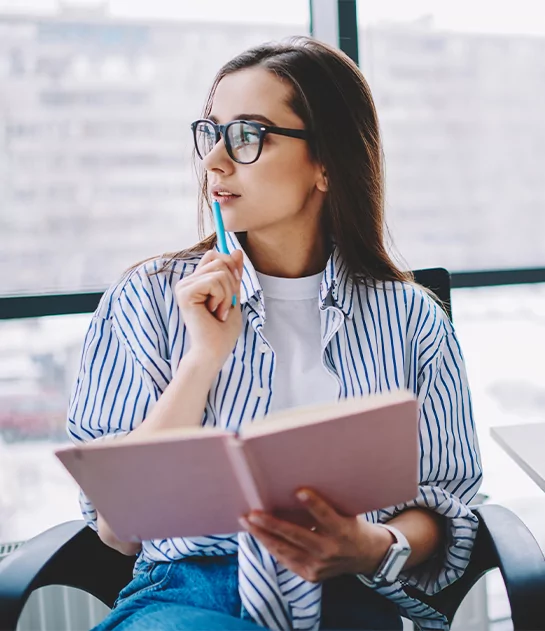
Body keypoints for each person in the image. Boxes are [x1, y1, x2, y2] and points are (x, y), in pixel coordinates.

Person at [67, 36, 482, 631]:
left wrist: (370, 545)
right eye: (211, 133)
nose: (214, 161)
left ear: (326, 164)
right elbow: (116, 526)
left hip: (353, 594)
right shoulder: (148, 299)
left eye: (248, 135)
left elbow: (449, 506)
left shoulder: (412, 317)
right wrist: (203, 358)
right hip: (192, 596)